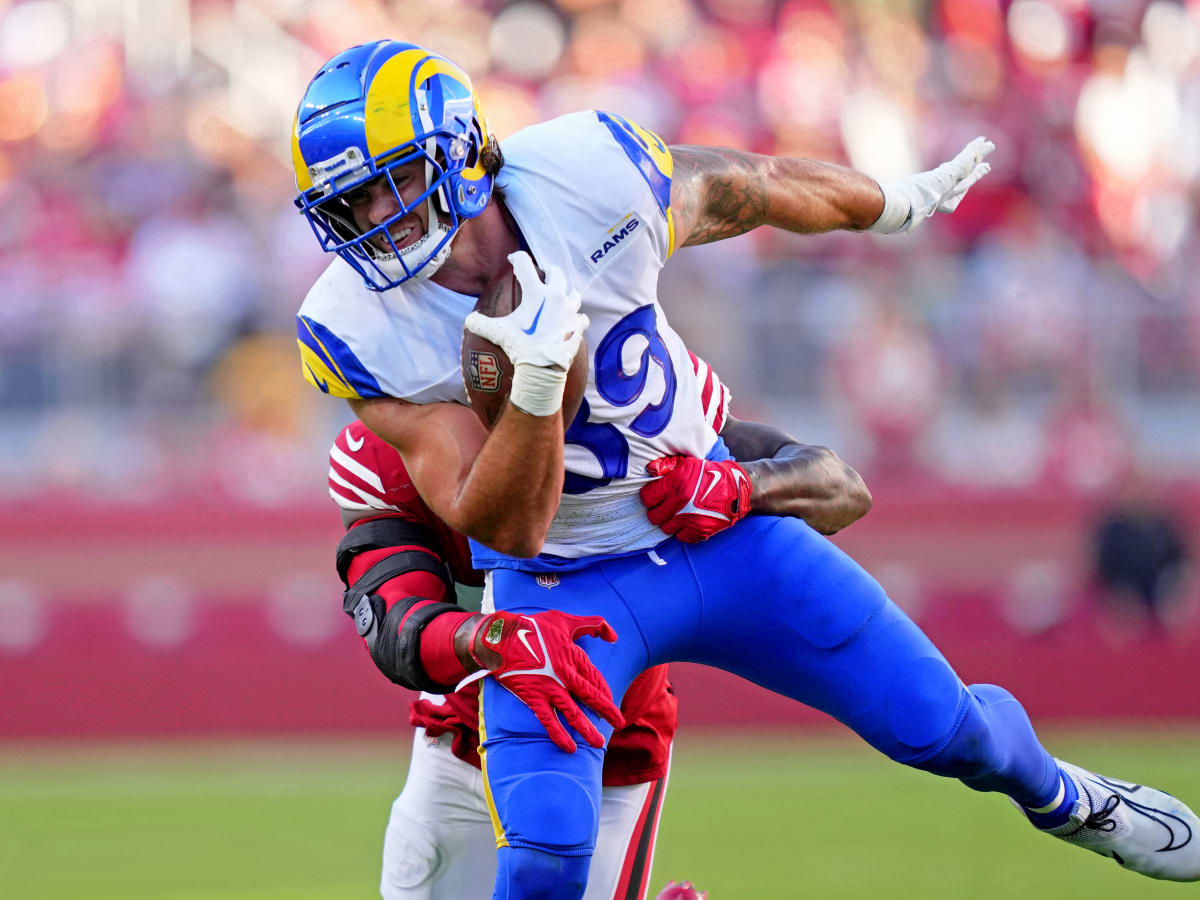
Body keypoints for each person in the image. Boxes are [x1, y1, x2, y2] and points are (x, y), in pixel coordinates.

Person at [291, 41, 1200, 896]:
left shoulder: (589, 176)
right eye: (355, 205)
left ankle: (1070, 797)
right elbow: (502, 526)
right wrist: (533, 396)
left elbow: (753, 187)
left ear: (460, 153)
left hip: (715, 532)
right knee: (546, 853)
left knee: (942, 726)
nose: (381, 217)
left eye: (396, 183)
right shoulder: (356, 329)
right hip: (561, 584)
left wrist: (894, 203)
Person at [329, 375, 872, 899]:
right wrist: (492, 637)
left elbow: (840, 486)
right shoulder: (391, 449)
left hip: (610, 746)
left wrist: (743, 486)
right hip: (464, 745)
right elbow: (394, 627)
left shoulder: (641, 402)